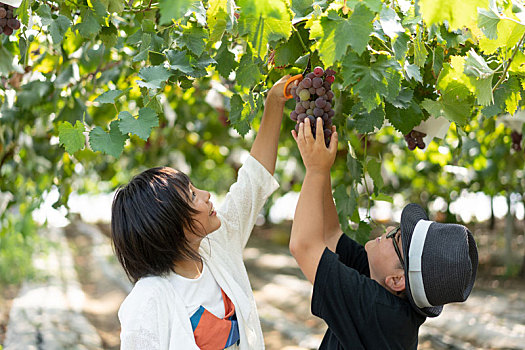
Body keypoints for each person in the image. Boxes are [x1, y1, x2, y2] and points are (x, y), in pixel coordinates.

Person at [110, 75, 293, 350]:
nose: (207, 196)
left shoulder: (217, 248)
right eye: (193, 195)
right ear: (171, 225)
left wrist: (275, 102)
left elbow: (253, 181)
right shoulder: (148, 301)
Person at [289, 117, 479, 349]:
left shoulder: (378, 311)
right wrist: (322, 166)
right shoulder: (385, 284)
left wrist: (316, 170)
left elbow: (303, 246)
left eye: (396, 237)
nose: (389, 229)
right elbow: (330, 236)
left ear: (398, 280)